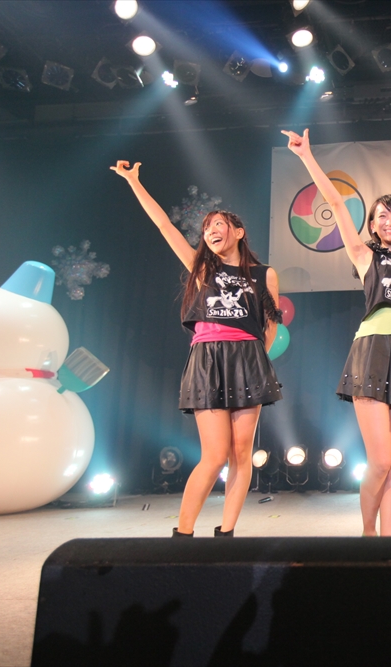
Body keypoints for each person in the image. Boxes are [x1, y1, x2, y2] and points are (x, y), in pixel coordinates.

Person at [281, 129, 391, 537]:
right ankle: (368, 534)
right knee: (381, 460)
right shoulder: (364, 254)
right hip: (372, 352)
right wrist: (306, 156)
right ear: (371, 224)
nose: (388, 221)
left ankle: (390, 545)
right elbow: (337, 203)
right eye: (380, 216)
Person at [111, 160, 283, 538]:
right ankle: (183, 534)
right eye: (206, 228)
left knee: (241, 453)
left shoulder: (263, 274)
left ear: (238, 232)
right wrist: (134, 181)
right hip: (208, 358)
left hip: (248, 359)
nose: (211, 231)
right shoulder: (202, 268)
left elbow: (271, 323)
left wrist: (257, 357)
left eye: (218, 224)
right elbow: (164, 226)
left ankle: (227, 533)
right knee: (215, 454)